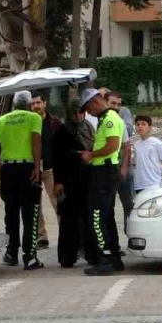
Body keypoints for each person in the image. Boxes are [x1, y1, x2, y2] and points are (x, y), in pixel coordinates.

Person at [0, 90, 44, 270]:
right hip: (27, 169)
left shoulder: (1, 120)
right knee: (30, 214)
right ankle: (29, 257)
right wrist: (37, 168)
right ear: (30, 104)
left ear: (14, 104)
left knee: (11, 214)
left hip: (7, 170)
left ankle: (11, 253)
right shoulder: (33, 118)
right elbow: (36, 142)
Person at [80, 88, 127, 276]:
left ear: (94, 103)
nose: (88, 113)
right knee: (106, 217)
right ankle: (114, 258)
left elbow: (113, 145)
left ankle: (105, 259)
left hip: (104, 172)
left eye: (87, 109)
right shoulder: (107, 118)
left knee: (97, 218)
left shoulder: (108, 119)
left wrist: (91, 154)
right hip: (105, 171)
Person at [53, 99, 94, 267]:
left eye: (81, 112)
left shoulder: (89, 128)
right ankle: (68, 256)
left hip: (87, 179)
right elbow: (57, 158)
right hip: (69, 181)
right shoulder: (62, 131)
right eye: (75, 113)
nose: (78, 116)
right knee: (69, 220)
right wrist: (58, 182)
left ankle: (90, 254)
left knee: (88, 217)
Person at [30, 93, 61, 249]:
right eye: (33, 103)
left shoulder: (54, 123)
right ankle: (41, 237)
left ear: (45, 103)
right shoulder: (28, 122)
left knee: (57, 202)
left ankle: (65, 234)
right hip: (33, 169)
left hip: (50, 168)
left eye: (38, 102)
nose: (36, 106)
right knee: (36, 205)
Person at [105, 91, 135, 229]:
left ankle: (130, 233)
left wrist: (123, 168)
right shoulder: (98, 118)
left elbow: (127, 140)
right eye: (113, 103)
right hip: (106, 168)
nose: (116, 107)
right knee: (107, 205)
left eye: (118, 104)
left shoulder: (122, 115)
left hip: (123, 167)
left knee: (128, 203)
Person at [132, 115, 162, 195]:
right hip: (139, 184)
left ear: (150, 127)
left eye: (143, 124)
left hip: (153, 183)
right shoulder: (136, 145)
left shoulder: (156, 143)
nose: (140, 126)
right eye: (137, 124)